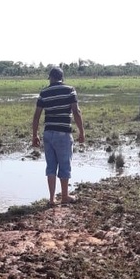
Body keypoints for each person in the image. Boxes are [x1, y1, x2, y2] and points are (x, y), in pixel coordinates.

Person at [32, 66, 85, 205]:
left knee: (51, 166)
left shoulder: (44, 93)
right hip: (63, 133)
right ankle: (65, 196)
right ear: (62, 78)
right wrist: (81, 131)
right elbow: (76, 111)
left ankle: (51, 199)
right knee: (64, 165)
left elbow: (36, 116)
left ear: (51, 78)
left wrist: (34, 135)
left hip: (48, 133)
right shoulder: (69, 90)